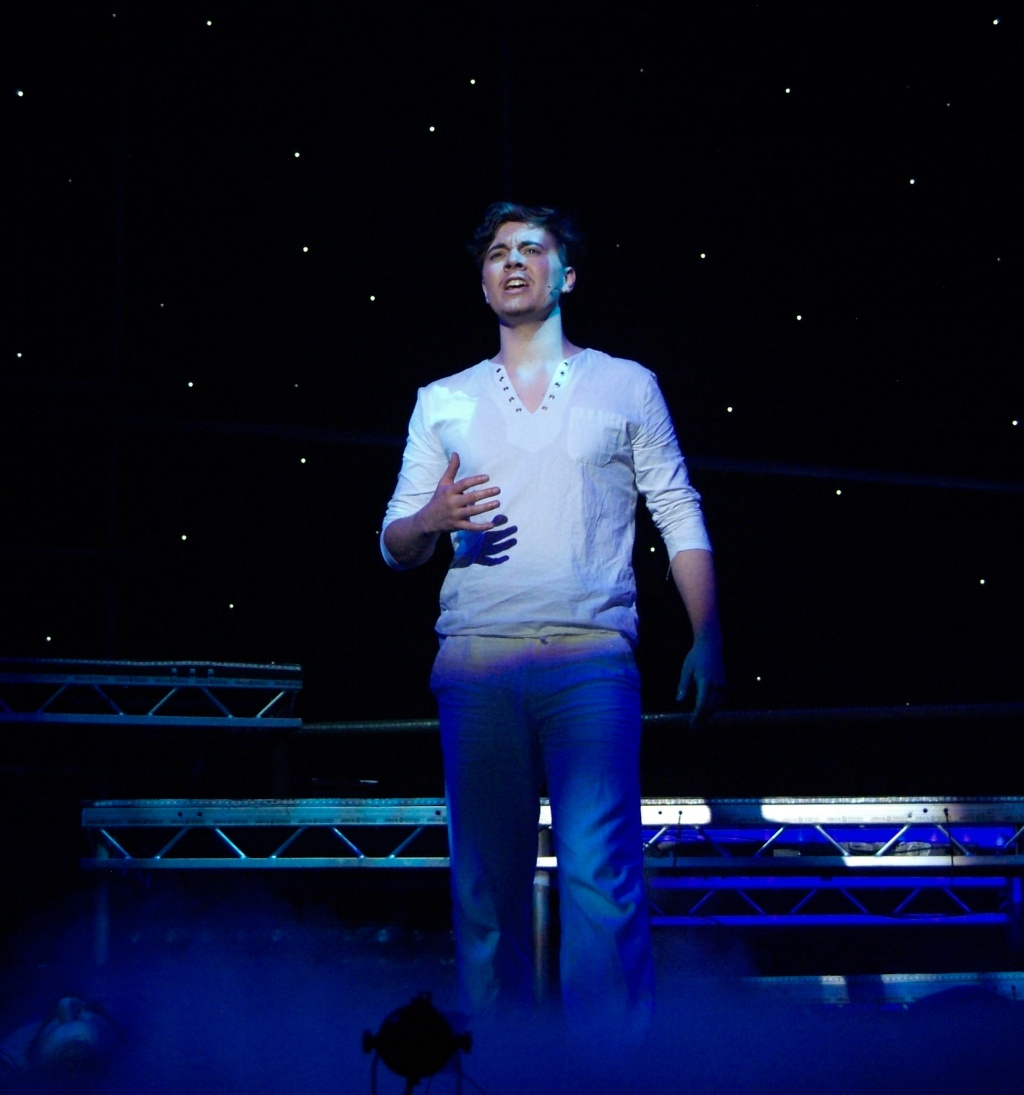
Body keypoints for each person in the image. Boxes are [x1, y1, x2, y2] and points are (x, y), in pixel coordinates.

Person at [381, 202, 724, 1038]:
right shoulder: (444, 400)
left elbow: (677, 509)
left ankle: (608, 1073)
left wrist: (707, 633)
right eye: (497, 251)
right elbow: (394, 542)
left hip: (590, 659)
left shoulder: (627, 385)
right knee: (485, 888)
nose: (512, 261)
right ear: (482, 282)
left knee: (601, 877)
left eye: (532, 248)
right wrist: (429, 518)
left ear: (567, 274)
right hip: (477, 661)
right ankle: (501, 1066)